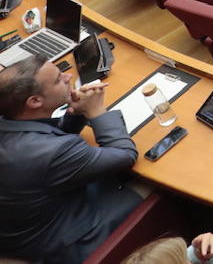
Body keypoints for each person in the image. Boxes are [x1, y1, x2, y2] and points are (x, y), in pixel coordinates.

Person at [0, 56, 141, 264]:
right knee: (154, 183)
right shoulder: (52, 152)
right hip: (67, 242)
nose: (68, 77)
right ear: (35, 101)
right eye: (58, 80)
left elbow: (44, 133)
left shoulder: (9, 121)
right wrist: (96, 111)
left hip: (25, 230)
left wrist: (76, 114)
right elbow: (126, 155)